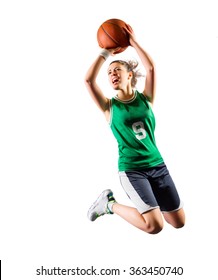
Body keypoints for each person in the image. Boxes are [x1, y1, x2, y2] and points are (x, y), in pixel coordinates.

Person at [84, 24, 185, 234]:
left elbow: (151, 69)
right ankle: (109, 204)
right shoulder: (109, 107)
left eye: (117, 70)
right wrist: (106, 51)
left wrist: (133, 42)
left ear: (130, 75)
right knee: (154, 226)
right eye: (109, 72)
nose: (112, 74)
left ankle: (151, 203)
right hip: (132, 170)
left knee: (178, 222)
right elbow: (88, 80)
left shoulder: (146, 99)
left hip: (158, 165)